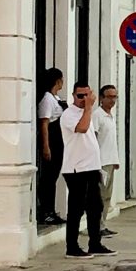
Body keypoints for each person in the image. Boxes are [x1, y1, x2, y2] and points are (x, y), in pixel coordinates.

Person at [59, 85, 115, 258]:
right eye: (80, 95)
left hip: (91, 167)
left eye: (86, 95)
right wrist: (89, 108)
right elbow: (82, 129)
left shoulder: (88, 113)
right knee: (76, 208)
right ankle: (72, 247)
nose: (83, 99)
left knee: (95, 206)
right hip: (76, 168)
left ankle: (95, 243)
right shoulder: (69, 114)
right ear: (73, 95)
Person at [37, 67, 67, 226]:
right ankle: (46, 211)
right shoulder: (47, 99)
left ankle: (51, 210)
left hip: (59, 140)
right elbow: (44, 123)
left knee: (54, 176)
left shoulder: (56, 98)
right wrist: (46, 146)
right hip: (52, 139)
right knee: (48, 178)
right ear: (57, 81)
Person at [95, 85, 120, 238]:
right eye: (109, 96)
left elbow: (111, 141)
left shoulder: (110, 116)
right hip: (101, 162)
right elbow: (94, 138)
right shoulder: (97, 115)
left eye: (114, 97)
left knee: (107, 197)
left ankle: (102, 224)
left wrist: (115, 159)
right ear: (102, 98)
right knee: (100, 196)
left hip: (110, 161)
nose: (112, 100)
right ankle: (97, 226)